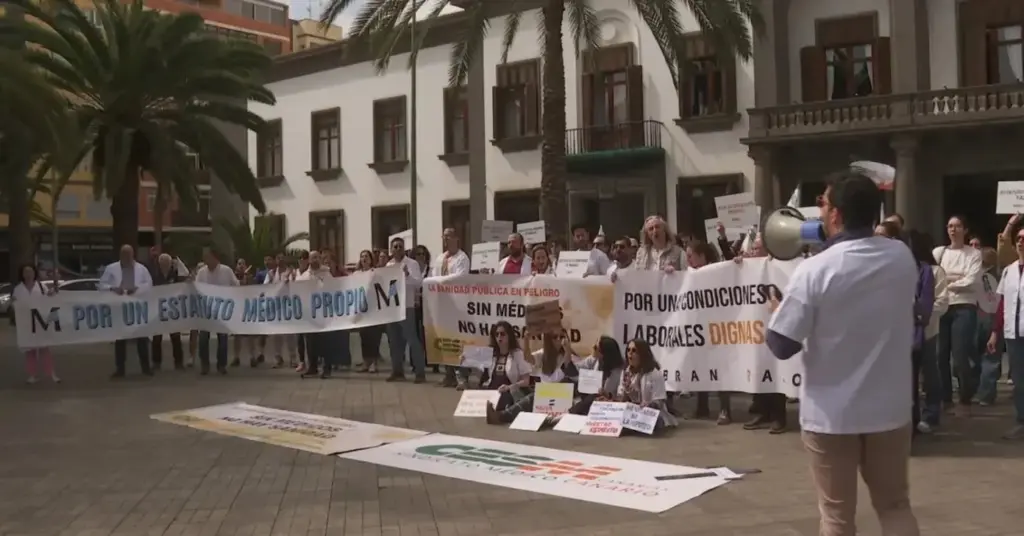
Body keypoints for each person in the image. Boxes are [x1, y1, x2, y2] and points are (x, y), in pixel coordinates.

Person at [767, 170, 919, 535]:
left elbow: (781, 344)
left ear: (835, 214)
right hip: (889, 411)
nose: (819, 211)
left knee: (836, 517)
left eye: (822, 203)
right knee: (895, 506)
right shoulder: (902, 256)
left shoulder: (814, 270)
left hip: (831, 416)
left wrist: (777, 312)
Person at [933, 215, 983, 415]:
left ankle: (965, 399)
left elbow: (971, 280)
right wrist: (955, 278)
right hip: (943, 307)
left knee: (961, 356)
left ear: (965, 229)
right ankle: (946, 398)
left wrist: (947, 280)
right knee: (940, 355)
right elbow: (934, 276)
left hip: (964, 307)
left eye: (958, 226)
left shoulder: (973, 254)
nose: (953, 230)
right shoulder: (939, 252)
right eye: (950, 226)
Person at [685, 241, 733, 424]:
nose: (688, 260)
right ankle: (702, 407)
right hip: (697, 327)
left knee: (720, 369)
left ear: (702, 256)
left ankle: (725, 409)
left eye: (690, 256)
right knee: (700, 366)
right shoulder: (688, 275)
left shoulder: (718, 271)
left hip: (716, 327)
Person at [906, 230, 949, 435]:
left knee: (930, 374)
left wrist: (922, 315)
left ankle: (931, 414)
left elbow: (942, 302)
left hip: (928, 332)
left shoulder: (934, 271)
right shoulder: (904, 270)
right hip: (907, 333)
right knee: (911, 378)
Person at [986, 222, 1024, 440]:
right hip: (1013, 334)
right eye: (1018, 238)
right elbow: (1002, 305)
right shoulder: (1009, 271)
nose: (1020, 242)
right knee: (1019, 381)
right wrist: (995, 332)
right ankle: (1021, 421)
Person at [100, 244, 154, 379]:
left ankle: (146, 368)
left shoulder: (142, 269)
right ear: (120, 255)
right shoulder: (111, 269)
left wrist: (137, 288)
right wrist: (113, 288)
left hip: (137, 308)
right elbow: (101, 285)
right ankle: (120, 369)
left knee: (142, 338)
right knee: (120, 340)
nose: (127, 258)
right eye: (124, 255)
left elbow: (149, 284)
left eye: (129, 255)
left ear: (133, 255)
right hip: (120, 308)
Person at [385, 236, 427, 383]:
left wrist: (407, 275)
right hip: (393, 308)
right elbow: (389, 287)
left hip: (407, 306)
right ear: (391, 250)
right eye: (395, 247)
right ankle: (397, 371)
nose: (397, 249)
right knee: (394, 341)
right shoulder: (389, 265)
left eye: (400, 246)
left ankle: (420, 372)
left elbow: (419, 283)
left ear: (404, 248)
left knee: (412, 339)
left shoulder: (412, 264)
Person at [473, 321, 533, 422]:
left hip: (509, 392)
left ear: (509, 336)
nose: (499, 337)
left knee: (504, 397)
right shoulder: (491, 353)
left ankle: (499, 415)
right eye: (497, 334)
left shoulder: (518, 354)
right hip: (492, 391)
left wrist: (509, 387)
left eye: (502, 334)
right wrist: (465, 359)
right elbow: (476, 367)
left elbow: (526, 381)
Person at [194, 248, 239, 375]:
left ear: (215, 258)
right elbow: (196, 288)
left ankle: (221, 365)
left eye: (208, 257)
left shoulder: (226, 271)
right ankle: (205, 364)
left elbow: (236, 285)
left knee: (223, 339)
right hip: (206, 311)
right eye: (205, 257)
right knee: (203, 339)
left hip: (222, 310)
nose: (206, 260)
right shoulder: (201, 272)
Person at [13, 264, 60, 384]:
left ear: (34, 273)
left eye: (30, 271)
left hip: (41, 322)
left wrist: (51, 295)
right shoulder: (18, 289)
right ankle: (32, 374)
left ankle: (51, 373)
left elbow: (48, 301)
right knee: (30, 350)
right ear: (22, 274)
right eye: (25, 272)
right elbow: (15, 305)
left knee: (45, 349)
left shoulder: (41, 286)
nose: (28, 274)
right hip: (26, 323)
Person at [615, 338, 677, 431]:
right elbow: (621, 397)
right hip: (632, 410)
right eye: (628, 350)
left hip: (650, 412)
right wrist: (610, 398)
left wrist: (647, 406)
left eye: (634, 350)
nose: (630, 353)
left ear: (642, 354)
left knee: (656, 421)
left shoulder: (654, 373)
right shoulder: (625, 372)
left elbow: (659, 401)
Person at [295, 250, 334, 378]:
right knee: (311, 342)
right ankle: (312, 367)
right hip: (310, 314)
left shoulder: (327, 273)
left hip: (324, 313)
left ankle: (327, 367)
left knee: (325, 341)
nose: (315, 259)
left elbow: (334, 288)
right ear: (309, 260)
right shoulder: (304, 276)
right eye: (313, 258)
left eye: (317, 257)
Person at [571, 335, 625, 415]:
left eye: (596, 348)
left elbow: (620, 396)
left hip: (608, 404)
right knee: (570, 382)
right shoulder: (594, 359)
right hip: (591, 396)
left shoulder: (620, 371)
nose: (593, 347)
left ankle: (570, 412)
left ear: (604, 353)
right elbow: (576, 369)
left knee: (593, 397)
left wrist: (607, 395)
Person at [151, 253, 185, 370]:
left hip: (173, 310)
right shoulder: (155, 275)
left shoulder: (175, 274)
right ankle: (156, 362)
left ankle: (179, 362)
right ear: (159, 264)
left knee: (175, 338)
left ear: (170, 264)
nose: (165, 265)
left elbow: (183, 287)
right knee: (156, 338)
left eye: (167, 263)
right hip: (158, 310)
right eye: (163, 263)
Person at [263, 253, 296, 369]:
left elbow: (296, 285)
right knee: (276, 335)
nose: (280, 260)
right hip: (275, 307)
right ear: (275, 260)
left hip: (288, 306)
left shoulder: (292, 272)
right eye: (278, 258)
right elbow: (265, 287)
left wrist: (290, 278)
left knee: (290, 334)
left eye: (282, 258)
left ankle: (293, 358)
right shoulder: (271, 274)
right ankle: (278, 358)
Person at [354, 250, 384, 373]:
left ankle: (374, 362)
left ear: (371, 259)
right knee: (364, 337)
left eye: (366, 256)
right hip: (362, 309)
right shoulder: (356, 274)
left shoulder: (375, 273)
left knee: (374, 337)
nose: (364, 258)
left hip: (374, 309)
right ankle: (366, 361)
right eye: (362, 256)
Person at [232, 258, 260, 367]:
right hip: (237, 309)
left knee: (250, 335)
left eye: (243, 264)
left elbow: (253, 289)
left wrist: (246, 276)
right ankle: (236, 357)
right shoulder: (233, 277)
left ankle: (252, 356)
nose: (241, 265)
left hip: (248, 309)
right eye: (239, 264)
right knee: (237, 336)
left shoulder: (250, 277)